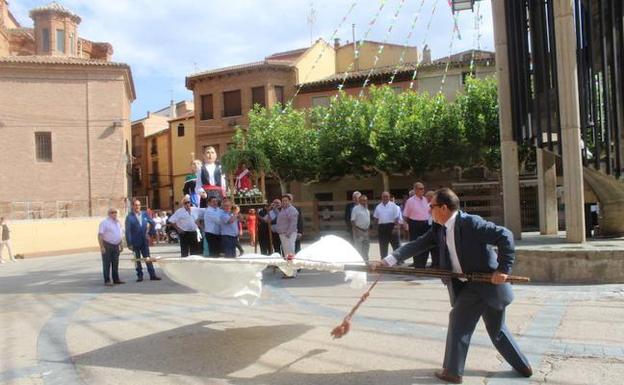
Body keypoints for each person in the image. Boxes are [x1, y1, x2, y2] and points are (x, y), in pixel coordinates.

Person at [375, 188, 532, 383]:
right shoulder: (439, 229)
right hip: (472, 286)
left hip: (485, 284)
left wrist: (503, 269)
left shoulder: (471, 223)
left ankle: (453, 372)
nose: (428, 210)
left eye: (431, 207)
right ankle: (524, 366)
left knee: (459, 321)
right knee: (497, 330)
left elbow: (505, 235)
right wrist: (389, 260)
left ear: (443, 208)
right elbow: (417, 244)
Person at [125, 200, 161, 282]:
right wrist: (129, 243)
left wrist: (151, 233)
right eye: (136, 205)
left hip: (144, 241)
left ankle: (152, 275)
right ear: (133, 206)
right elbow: (128, 231)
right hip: (135, 242)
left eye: (139, 205)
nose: (137, 207)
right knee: (137, 260)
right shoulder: (129, 217)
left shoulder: (145, 214)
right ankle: (140, 276)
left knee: (148, 258)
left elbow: (152, 223)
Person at [403, 182, 432, 268]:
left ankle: (423, 264)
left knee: (425, 243)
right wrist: (406, 226)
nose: (423, 190)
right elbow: (405, 215)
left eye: (423, 188)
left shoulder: (425, 200)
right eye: (420, 189)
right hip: (415, 224)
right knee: (415, 244)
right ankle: (418, 265)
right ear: (415, 190)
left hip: (425, 224)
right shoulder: (410, 201)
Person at [98, 208, 125, 286]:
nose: (115, 214)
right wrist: (102, 247)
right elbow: (100, 235)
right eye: (112, 212)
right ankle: (107, 280)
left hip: (116, 245)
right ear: (109, 214)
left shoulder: (118, 222)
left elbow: (120, 234)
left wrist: (121, 244)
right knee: (107, 264)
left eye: (116, 212)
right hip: (107, 245)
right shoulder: (104, 223)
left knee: (115, 263)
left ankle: (116, 279)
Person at [373, 191, 401, 259]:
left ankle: (399, 260)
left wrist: (395, 227)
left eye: (386, 196)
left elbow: (396, 217)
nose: (385, 198)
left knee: (396, 245)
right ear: (381, 197)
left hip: (392, 226)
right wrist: (375, 228)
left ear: (389, 197)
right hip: (382, 227)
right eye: (383, 196)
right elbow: (376, 219)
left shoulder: (393, 206)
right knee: (383, 245)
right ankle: (383, 260)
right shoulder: (378, 207)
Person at [275, 194, 299, 258]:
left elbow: (293, 223)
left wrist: (288, 234)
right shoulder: (282, 209)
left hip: (289, 234)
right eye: (283, 201)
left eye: (286, 201)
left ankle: (292, 267)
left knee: (290, 251)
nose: (284, 202)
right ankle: (288, 266)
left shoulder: (292, 210)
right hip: (282, 234)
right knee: (286, 252)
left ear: (289, 201)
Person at [350, 194, 371, 261]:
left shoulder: (367, 209)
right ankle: (358, 262)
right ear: (359, 201)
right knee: (358, 249)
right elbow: (352, 220)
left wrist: (368, 230)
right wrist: (355, 231)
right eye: (362, 200)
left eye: (365, 200)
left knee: (366, 248)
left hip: (366, 231)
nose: (364, 202)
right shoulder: (356, 209)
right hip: (359, 231)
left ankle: (366, 261)